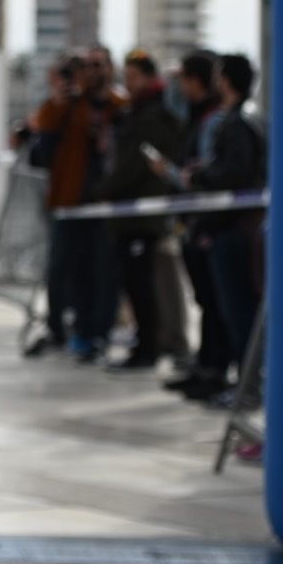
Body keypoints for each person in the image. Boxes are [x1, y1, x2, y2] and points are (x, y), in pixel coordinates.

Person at [31, 48, 127, 362]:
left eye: (98, 65)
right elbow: (40, 149)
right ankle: (63, 329)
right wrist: (56, 104)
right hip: (69, 202)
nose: (91, 71)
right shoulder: (67, 107)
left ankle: (97, 334)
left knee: (102, 274)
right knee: (64, 271)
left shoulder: (119, 106)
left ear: (110, 69)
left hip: (106, 205)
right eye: (86, 66)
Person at [185, 55, 268, 406]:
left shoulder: (236, 126)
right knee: (235, 311)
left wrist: (201, 176)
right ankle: (245, 383)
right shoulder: (245, 123)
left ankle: (248, 387)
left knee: (239, 312)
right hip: (234, 230)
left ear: (226, 80)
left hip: (233, 233)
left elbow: (234, 177)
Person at [95, 51, 183, 371]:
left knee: (143, 285)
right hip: (130, 217)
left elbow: (133, 166)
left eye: (133, 77)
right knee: (136, 284)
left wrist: (102, 191)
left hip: (142, 218)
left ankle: (148, 348)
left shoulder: (153, 117)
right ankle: (147, 344)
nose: (127, 84)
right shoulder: (135, 113)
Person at [161, 51, 231, 400]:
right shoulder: (197, 116)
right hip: (197, 221)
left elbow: (205, 175)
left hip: (209, 223)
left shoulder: (215, 121)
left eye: (184, 80)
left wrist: (173, 174)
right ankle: (206, 366)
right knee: (206, 300)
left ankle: (215, 369)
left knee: (216, 302)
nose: (180, 88)